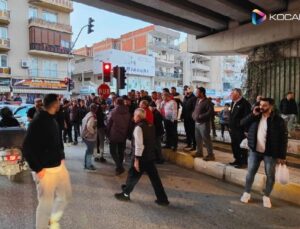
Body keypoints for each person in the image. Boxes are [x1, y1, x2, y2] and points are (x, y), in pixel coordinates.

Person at [23, 94, 72, 229]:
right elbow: (26, 148)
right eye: (58, 101)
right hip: (45, 170)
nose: (60, 104)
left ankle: (53, 219)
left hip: (58, 165)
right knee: (45, 205)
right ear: (54, 104)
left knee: (66, 195)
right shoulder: (38, 121)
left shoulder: (52, 118)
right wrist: (38, 169)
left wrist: (61, 157)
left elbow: (57, 141)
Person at [114, 108, 169, 206]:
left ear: (138, 117)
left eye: (134, 115)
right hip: (150, 157)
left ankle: (126, 194)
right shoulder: (151, 125)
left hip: (142, 157)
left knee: (133, 176)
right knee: (155, 179)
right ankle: (163, 199)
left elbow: (139, 145)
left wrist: (136, 159)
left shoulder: (138, 128)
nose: (133, 118)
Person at [240, 98, 287, 208]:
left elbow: (283, 139)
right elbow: (242, 123)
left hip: (270, 153)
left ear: (271, 107)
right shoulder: (255, 116)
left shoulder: (278, 120)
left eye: (264, 105)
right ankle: (246, 193)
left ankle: (266, 196)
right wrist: (253, 114)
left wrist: (282, 156)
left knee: (270, 175)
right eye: (260, 105)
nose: (261, 107)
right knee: (250, 172)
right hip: (254, 151)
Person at [107, 98, 131, 175]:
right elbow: (129, 125)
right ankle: (119, 168)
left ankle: (119, 166)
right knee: (121, 151)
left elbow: (109, 124)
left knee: (112, 151)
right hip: (123, 134)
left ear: (116, 103)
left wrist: (107, 133)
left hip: (114, 134)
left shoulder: (113, 112)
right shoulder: (128, 112)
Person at [229, 88, 251, 168]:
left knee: (241, 146)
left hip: (240, 130)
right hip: (233, 129)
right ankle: (237, 160)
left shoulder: (245, 103)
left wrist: (246, 130)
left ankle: (243, 162)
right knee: (234, 145)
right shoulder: (233, 102)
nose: (231, 94)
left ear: (238, 94)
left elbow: (247, 117)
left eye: (232, 93)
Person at [192, 87, 215, 161]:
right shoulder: (198, 100)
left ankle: (211, 155)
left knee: (206, 139)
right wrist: (193, 115)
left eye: (197, 92)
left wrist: (200, 116)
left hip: (204, 123)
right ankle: (199, 152)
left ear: (202, 93)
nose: (196, 93)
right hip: (197, 123)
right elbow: (196, 109)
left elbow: (210, 112)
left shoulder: (208, 101)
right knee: (198, 139)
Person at [81, 103, 98, 171]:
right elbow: (89, 126)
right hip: (89, 137)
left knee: (88, 150)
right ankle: (88, 165)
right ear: (95, 109)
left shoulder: (88, 114)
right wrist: (93, 132)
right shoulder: (92, 117)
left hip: (85, 135)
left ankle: (86, 164)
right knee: (90, 151)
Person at [181, 86, 197, 150]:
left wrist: (191, 116)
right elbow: (183, 107)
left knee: (192, 132)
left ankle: (194, 145)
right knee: (187, 131)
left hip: (191, 119)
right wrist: (182, 115)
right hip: (185, 117)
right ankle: (189, 144)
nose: (185, 91)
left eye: (186, 90)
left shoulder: (194, 98)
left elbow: (194, 109)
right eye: (184, 90)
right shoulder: (185, 98)